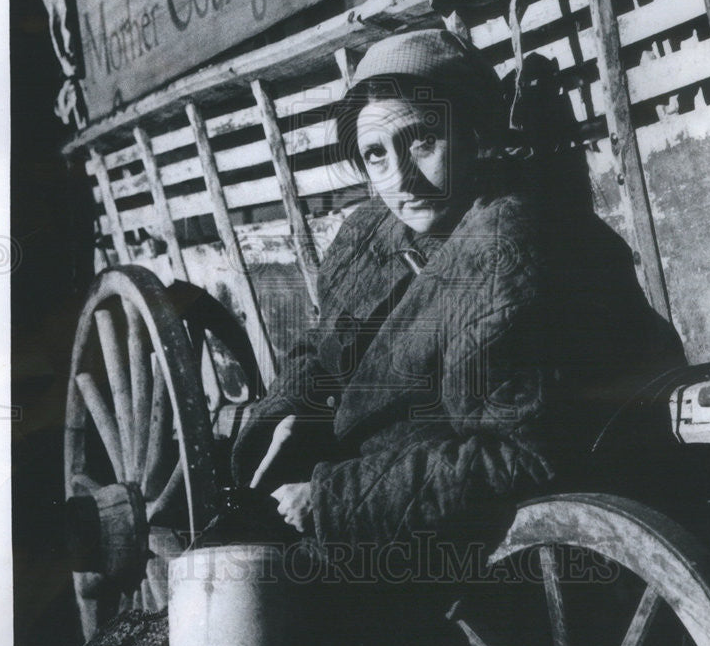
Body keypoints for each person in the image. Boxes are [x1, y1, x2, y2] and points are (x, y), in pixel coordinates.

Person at [231, 29, 686, 555]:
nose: (402, 179)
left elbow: (525, 456)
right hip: (358, 493)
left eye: (424, 140)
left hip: (438, 542)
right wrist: (296, 413)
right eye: (376, 154)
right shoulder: (373, 230)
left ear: (476, 132)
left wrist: (331, 498)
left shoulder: (509, 253)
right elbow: (325, 343)